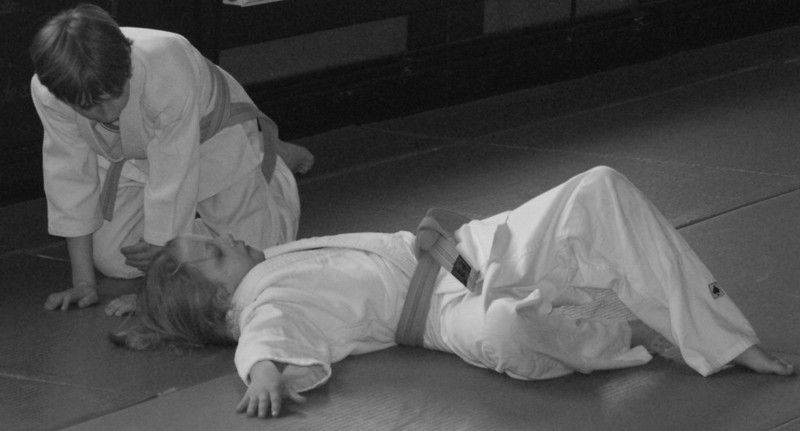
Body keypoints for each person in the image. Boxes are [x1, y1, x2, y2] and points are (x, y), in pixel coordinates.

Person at [111, 166, 794, 419]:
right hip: (442, 314)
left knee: (599, 189)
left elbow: (213, 303)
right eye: (212, 253)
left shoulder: (270, 262)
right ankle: (628, 328)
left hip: (463, 248)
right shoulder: (263, 303)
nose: (222, 237)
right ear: (219, 306)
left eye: (210, 236)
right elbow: (265, 337)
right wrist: (264, 371)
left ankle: (722, 338)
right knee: (505, 332)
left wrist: (146, 298)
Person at [30, 4, 314, 315]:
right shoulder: (52, 91)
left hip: (209, 137)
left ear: (127, 69)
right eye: (90, 107)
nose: (108, 113)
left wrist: (158, 291)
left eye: (114, 96)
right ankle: (200, 234)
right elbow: (70, 176)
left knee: (256, 256)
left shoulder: (166, 66)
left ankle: (275, 166)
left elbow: (173, 174)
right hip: (126, 153)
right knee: (115, 261)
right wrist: (84, 282)